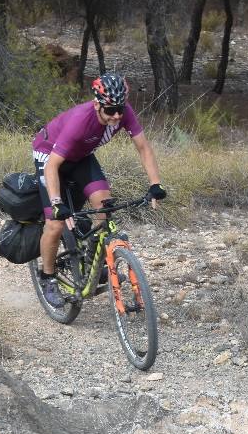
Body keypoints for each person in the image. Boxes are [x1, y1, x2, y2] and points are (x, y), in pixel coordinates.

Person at [31, 72, 166, 308]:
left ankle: (92, 265)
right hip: (49, 155)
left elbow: (144, 148)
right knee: (55, 223)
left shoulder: (123, 113)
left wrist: (155, 184)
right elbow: (53, 165)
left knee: (104, 205)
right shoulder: (81, 122)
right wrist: (56, 202)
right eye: (110, 110)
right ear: (97, 105)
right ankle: (48, 278)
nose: (116, 116)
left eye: (120, 110)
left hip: (80, 156)